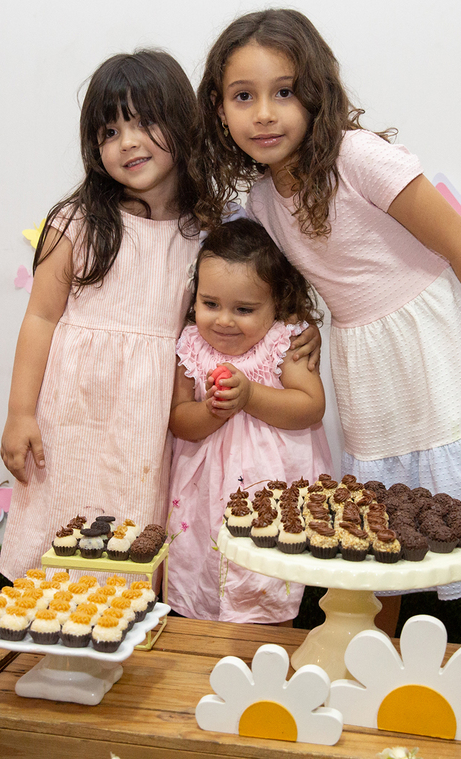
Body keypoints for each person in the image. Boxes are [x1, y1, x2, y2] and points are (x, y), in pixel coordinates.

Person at [198, 9, 461, 741]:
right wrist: (296, 338)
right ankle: (364, 708)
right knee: (378, 548)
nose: (264, 113)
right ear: (219, 109)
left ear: (316, 92)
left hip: (448, 355)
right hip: (373, 377)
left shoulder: (358, 157)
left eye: (283, 91)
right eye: (243, 96)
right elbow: (288, 291)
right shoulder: (264, 203)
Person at [0, 49, 320, 583]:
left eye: (143, 123)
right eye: (109, 131)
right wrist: (19, 414)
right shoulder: (76, 223)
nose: (127, 142)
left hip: (149, 418)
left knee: (132, 534)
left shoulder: (210, 231)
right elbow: (40, 320)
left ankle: (123, 619)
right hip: (73, 412)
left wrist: (300, 329)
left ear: (181, 123)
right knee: (59, 527)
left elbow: (263, 288)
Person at [166, 217, 333, 625]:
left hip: (270, 493)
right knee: (202, 568)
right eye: (210, 304)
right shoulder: (190, 346)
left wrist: (251, 395)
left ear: (277, 304)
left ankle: (270, 651)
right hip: (205, 492)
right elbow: (179, 420)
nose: (224, 320)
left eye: (244, 309)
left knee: (269, 578)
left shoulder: (283, 343)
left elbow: (311, 406)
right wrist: (211, 409)